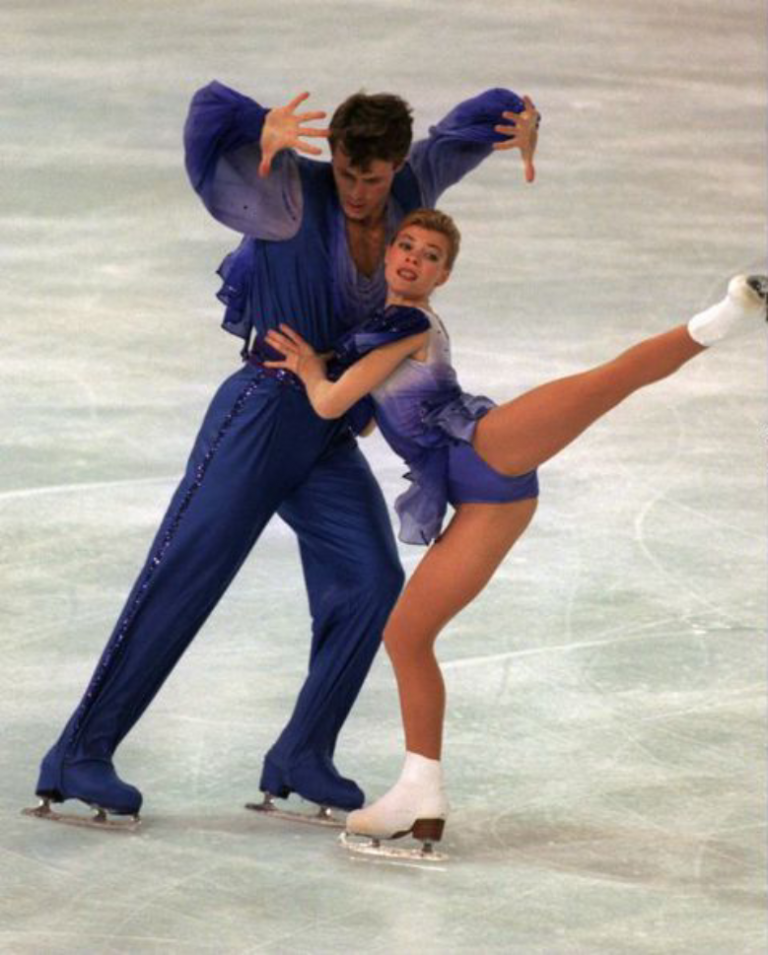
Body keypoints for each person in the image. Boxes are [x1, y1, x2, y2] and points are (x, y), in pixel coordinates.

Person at [28, 81, 541, 825]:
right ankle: (79, 752)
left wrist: (523, 118)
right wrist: (251, 121)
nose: (360, 193)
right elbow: (206, 116)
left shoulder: (412, 184)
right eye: (346, 173)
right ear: (330, 154)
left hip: (326, 433)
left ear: (395, 165)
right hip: (263, 412)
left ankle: (304, 752)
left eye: (373, 178)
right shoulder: (285, 190)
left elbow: (477, 118)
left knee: (370, 579)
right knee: (185, 573)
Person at [263, 207, 767, 851]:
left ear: (444, 275)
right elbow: (364, 417)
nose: (414, 258)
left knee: (607, 382)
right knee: (407, 633)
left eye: (431, 255)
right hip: (481, 499)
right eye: (407, 246)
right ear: (389, 252)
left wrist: (311, 368)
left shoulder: (409, 321)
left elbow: (332, 401)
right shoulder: (375, 326)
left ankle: (730, 315)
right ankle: (422, 790)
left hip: (485, 448)